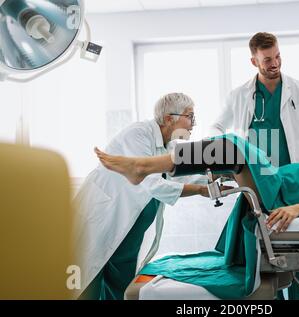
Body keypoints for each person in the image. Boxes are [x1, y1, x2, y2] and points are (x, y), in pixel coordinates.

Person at [93, 125, 299, 299]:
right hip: (289, 180)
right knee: (228, 147)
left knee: (231, 146)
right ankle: (144, 166)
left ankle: (142, 166)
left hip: (289, 191)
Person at [74, 93, 213, 300]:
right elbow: (151, 183)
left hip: (130, 228)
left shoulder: (171, 145)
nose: (193, 123)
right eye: (190, 116)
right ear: (169, 119)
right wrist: (200, 190)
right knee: (87, 284)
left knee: (121, 282)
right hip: (103, 218)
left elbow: (181, 176)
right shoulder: (138, 134)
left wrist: (215, 179)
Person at [210, 32, 299, 172]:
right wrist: (228, 148)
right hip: (257, 176)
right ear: (254, 62)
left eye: (277, 56)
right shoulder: (238, 96)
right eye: (267, 60)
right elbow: (216, 126)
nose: (275, 63)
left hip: (293, 173)